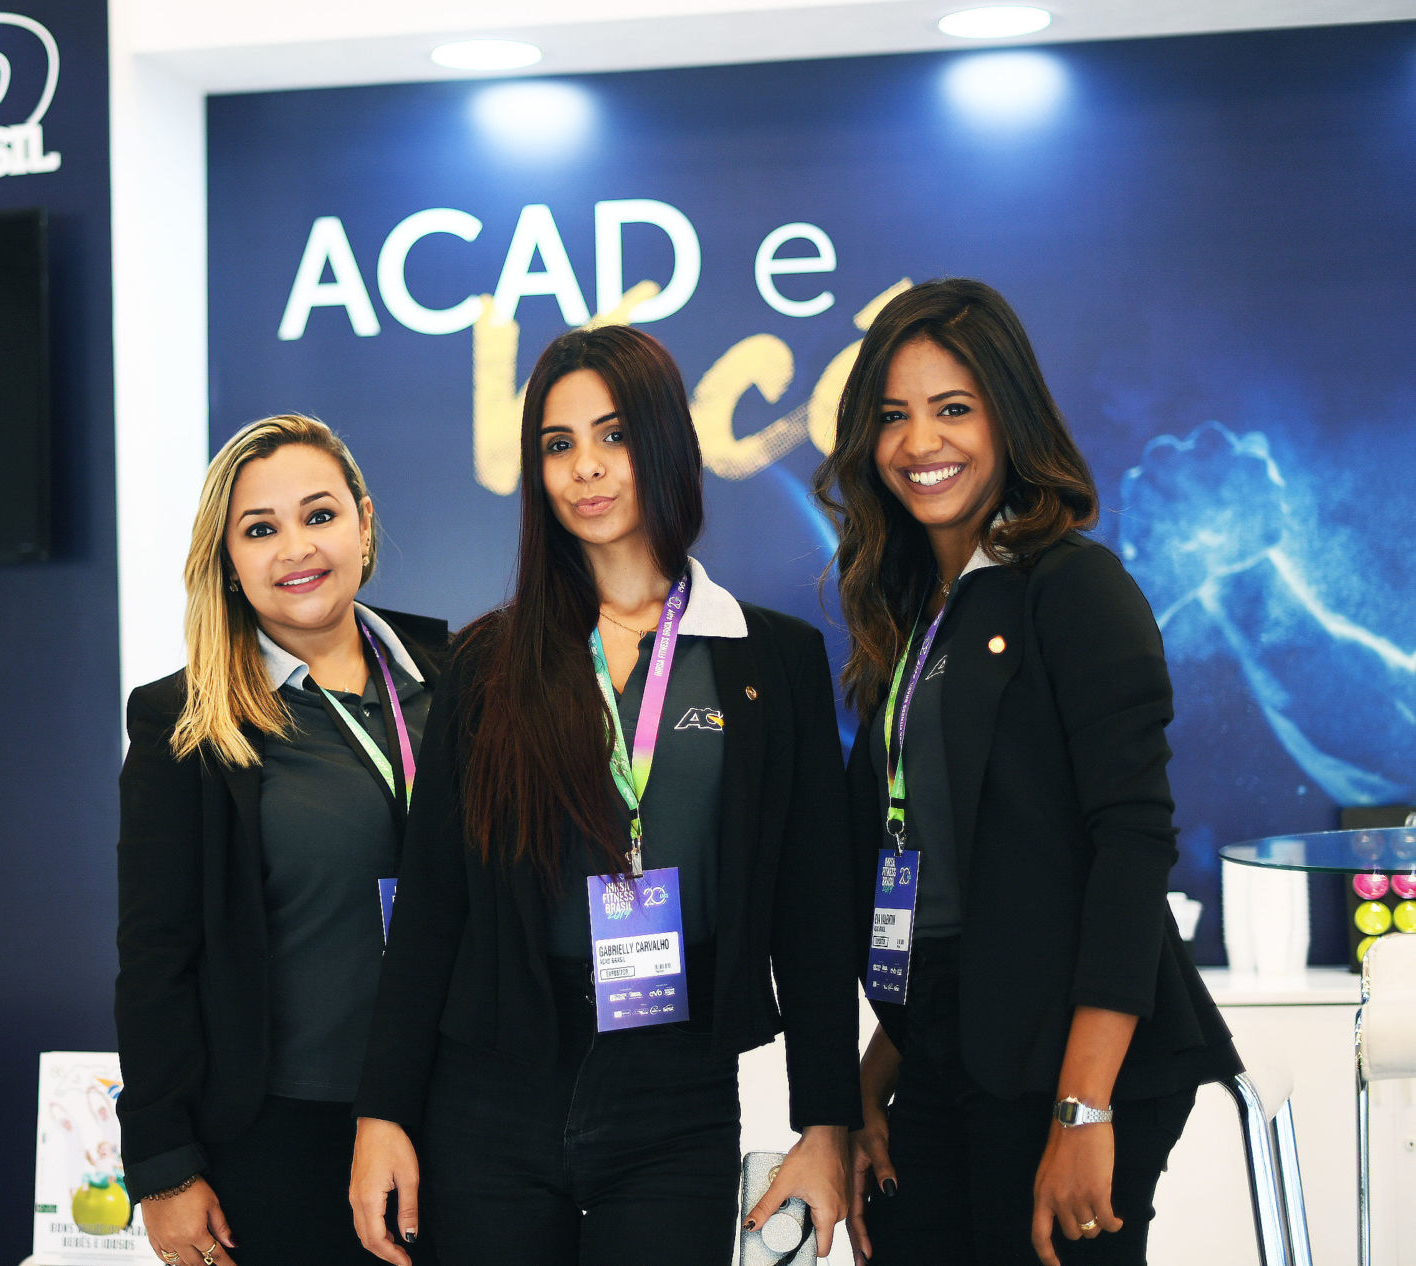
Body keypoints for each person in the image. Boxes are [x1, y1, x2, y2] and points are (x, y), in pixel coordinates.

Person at [348, 325, 859, 1266]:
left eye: (613, 435)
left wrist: (828, 1126)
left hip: (676, 1088)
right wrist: (382, 1113)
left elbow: (812, 915)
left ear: (665, 442)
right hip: (493, 1085)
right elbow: (431, 905)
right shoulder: (487, 663)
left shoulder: (772, 660)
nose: (585, 467)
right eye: (558, 443)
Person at [810, 279, 1241, 1266]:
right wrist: (875, 1075)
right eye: (893, 416)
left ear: (1008, 417)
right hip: (945, 1051)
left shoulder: (1074, 586)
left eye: (953, 408)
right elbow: (942, 892)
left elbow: (1131, 847)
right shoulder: (910, 616)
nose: (920, 442)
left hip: (1070, 1060)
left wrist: (1083, 1107)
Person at [114, 414, 447, 1266]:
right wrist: (163, 1168)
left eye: (319, 515)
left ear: (363, 523)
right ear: (227, 559)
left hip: (461, 1116)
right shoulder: (183, 721)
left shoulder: (456, 677)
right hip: (282, 1140)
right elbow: (155, 958)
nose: (295, 548)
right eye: (260, 530)